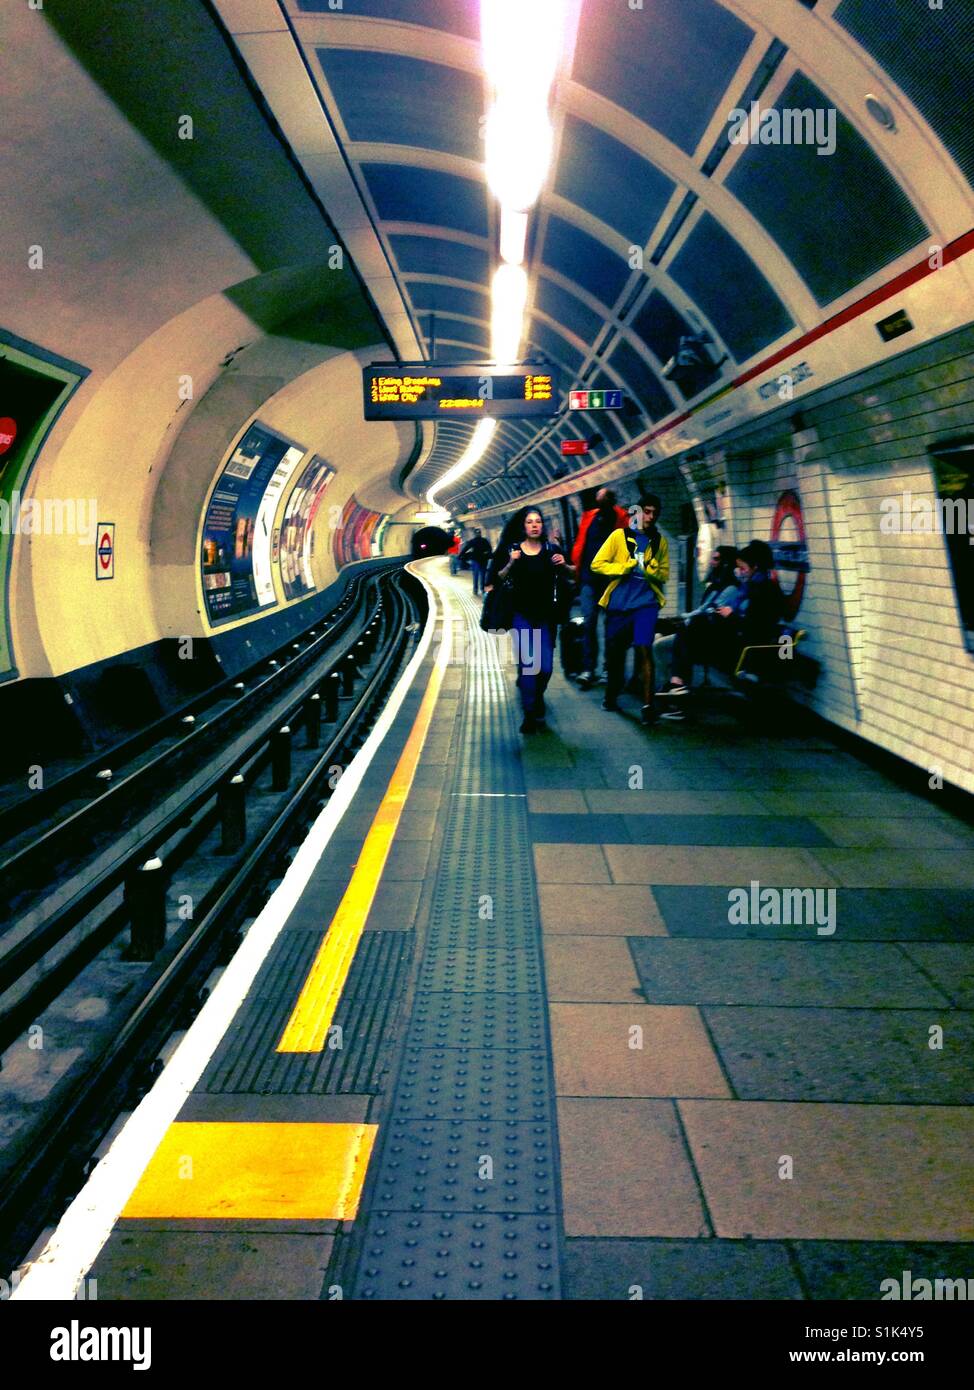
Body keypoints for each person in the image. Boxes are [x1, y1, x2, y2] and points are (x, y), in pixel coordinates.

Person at [488, 507, 574, 734]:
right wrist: (510, 563)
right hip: (521, 616)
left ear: (542, 526)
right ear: (523, 526)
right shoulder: (513, 551)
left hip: (546, 617)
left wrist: (563, 564)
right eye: (529, 522)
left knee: (544, 668)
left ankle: (536, 696)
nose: (534, 525)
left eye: (538, 522)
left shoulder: (551, 550)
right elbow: (497, 578)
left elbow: (573, 574)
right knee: (528, 666)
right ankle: (529, 714)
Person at [665, 539, 783, 700]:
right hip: (736, 641)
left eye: (743, 568)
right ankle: (677, 684)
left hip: (741, 649)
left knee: (688, 632)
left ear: (755, 567)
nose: (740, 572)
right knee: (688, 631)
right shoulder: (754, 587)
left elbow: (756, 627)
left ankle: (677, 684)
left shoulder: (763, 592)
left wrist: (730, 615)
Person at [591, 493, 669, 725]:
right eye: (647, 511)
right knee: (615, 655)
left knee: (644, 649)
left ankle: (648, 705)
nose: (650, 517)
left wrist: (649, 571)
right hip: (619, 606)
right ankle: (612, 695)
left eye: (654, 513)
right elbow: (597, 564)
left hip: (646, 605)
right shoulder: (618, 536)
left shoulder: (659, 541)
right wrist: (624, 567)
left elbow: (664, 573)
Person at [570, 488, 629, 688]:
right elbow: (582, 545)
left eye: (603, 497)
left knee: (609, 626)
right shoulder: (590, 518)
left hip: (611, 581)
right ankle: (589, 668)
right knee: (589, 623)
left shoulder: (621, 520)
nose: (599, 500)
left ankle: (607, 668)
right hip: (589, 579)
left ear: (610, 501)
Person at [460, 529, 493, 597]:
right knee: (482, 575)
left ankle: (476, 589)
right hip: (482, 560)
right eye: (478, 533)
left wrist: (461, 555)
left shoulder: (473, 541)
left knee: (476, 575)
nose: (478, 534)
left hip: (476, 560)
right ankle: (481, 589)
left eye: (478, 533)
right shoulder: (484, 540)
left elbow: (466, 548)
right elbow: (489, 549)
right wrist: (487, 554)